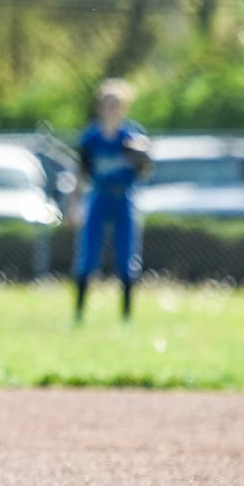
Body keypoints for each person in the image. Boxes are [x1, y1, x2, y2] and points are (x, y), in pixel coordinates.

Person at [73, 78, 151, 323]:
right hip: (99, 196)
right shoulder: (91, 138)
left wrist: (143, 157)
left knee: (127, 257)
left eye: (117, 103)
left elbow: (145, 172)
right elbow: (82, 173)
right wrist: (73, 203)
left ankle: (126, 316)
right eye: (108, 103)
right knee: (88, 256)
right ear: (100, 106)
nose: (112, 108)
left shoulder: (132, 137)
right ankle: (79, 313)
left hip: (124, 197)